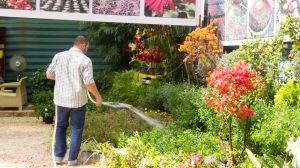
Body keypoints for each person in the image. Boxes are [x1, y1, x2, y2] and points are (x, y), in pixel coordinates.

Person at [46, 35, 102, 166]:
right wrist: (98, 98)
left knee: (60, 127)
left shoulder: (58, 56)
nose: (87, 48)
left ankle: (59, 157)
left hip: (61, 99)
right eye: (87, 46)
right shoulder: (85, 60)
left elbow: (49, 74)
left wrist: (63, 79)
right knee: (76, 128)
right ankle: (72, 160)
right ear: (83, 45)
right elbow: (88, 82)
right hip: (77, 101)